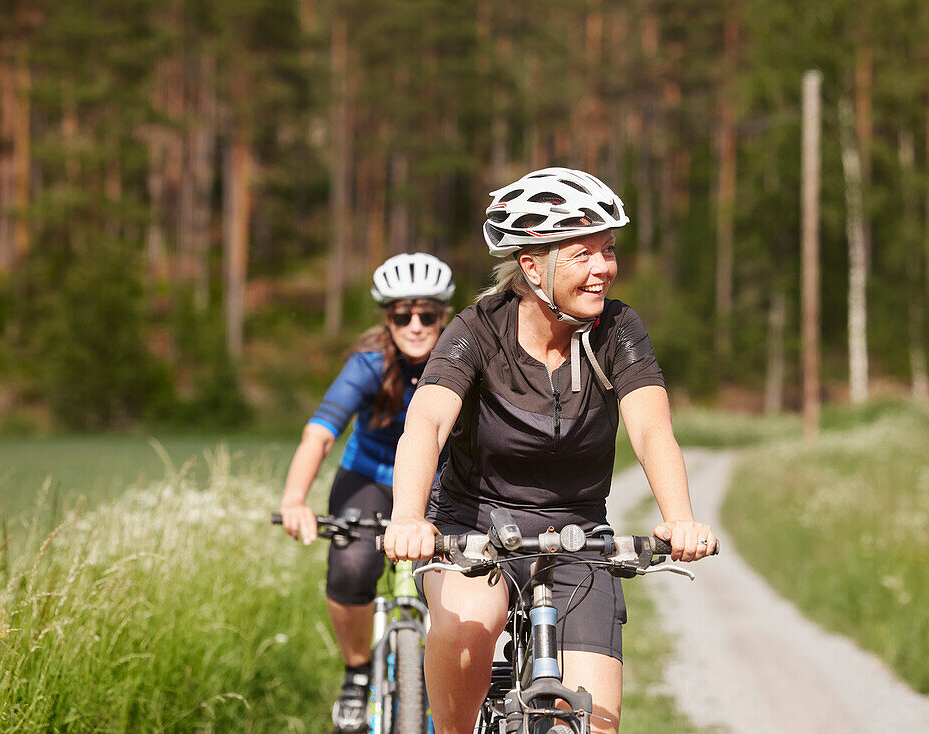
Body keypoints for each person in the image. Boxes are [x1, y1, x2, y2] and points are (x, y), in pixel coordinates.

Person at [382, 167, 718, 734]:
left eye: (608, 252)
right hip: (473, 524)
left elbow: (652, 430)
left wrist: (679, 518)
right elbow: (428, 423)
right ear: (533, 265)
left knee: (595, 725)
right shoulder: (478, 329)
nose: (603, 270)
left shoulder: (619, 330)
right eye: (583, 254)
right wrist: (409, 518)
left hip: (578, 535)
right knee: (464, 633)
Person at [278, 251, 455, 732]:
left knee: (465, 577)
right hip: (371, 476)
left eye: (427, 315)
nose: (415, 325)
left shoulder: (462, 359)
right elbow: (320, 433)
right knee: (353, 564)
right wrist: (295, 499)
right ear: (387, 319)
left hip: (443, 481)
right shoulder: (367, 365)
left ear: (444, 317)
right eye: (403, 315)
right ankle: (357, 674)